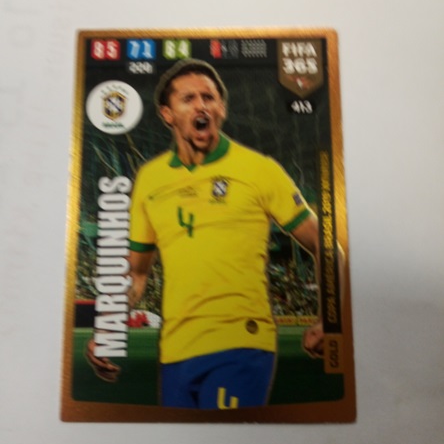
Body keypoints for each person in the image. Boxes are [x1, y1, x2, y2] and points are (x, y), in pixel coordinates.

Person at [87, 59, 325, 408]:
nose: (201, 106)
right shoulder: (150, 179)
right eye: (189, 99)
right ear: (167, 114)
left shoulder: (259, 170)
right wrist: (108, 329)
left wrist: (330, 319)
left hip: (241, 346)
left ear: (222, 109)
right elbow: (137, 275)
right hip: (175, 353)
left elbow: (324, 244)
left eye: (209, 97)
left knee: (224, 440)